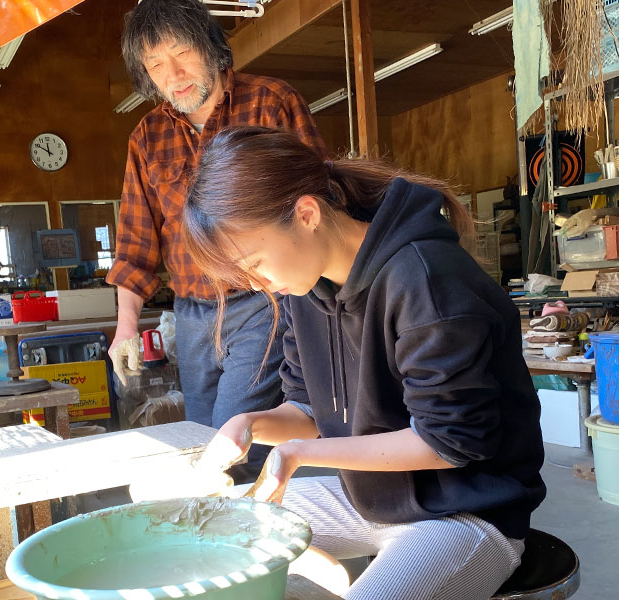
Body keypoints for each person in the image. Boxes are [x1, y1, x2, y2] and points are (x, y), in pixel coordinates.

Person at [185, 126, 547, 600]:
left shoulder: (425, 280)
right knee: (205, 531)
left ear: (307, 214)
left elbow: (449, 441)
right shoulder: (305, 288)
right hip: (372, 498)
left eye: (254, 262)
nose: (254, 284)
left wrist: (298, 454)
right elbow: (307, 409)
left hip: (468, 511)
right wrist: (248, 423)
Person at [106, 0, 326, 479]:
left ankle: (249, 541)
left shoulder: (272, 103)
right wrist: (126, 326)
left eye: (182, 54)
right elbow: (135, 242)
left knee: (233, 441)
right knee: (200, 437)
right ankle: (226, 527)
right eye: (156, 65)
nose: (174, 74)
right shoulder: (148, 136)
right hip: (191, 314)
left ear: (210, 46)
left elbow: (320, 202)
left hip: (261, 299)